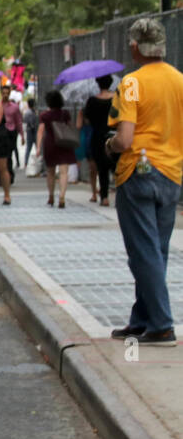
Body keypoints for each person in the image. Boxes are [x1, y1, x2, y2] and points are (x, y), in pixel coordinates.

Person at [106, 17, 183, 345]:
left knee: (142, 251)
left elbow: (124, 139)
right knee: (155, 250)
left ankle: (162, 324)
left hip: (137, 172)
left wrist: (109, 145)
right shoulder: (180, 80)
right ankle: (143, 319)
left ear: (135, 47)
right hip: (171, 173)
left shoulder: (132, 83)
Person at [79, 75, 115, 206]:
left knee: (102, 167)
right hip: (114, 134)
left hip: (98, 136)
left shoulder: (92, 101)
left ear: (98, 84)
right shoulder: (116, 99)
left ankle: (104, 197)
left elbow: (87, 120)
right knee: (116, 166)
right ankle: (120, 195)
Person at [37, 89, 76, 208]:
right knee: (64, 172)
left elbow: (40, 131)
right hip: (64, 142)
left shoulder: (44, 115)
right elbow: (70, 127)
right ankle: (62, 197)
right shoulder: (65, 114)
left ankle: (51, 196)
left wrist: (38, 147)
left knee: (50, 172)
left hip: (50, 143)